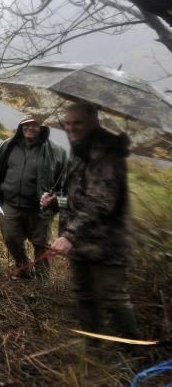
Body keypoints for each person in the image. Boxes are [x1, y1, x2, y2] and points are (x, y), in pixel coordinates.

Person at [42, 102, 138, 338]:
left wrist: (68, 235)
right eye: (68, 123)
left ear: (94, 121)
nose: (72, 128)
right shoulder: (79, 150)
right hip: (82, 241)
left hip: (108, 243)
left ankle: (133, 352)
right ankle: (93, 345)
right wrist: (57, 201)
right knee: (83, 293)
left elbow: (100, 203)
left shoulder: (106, 153)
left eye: (78, 123)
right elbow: (79, 197)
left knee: (113, 297)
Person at [0, 115, 67, 279]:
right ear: (21, 126)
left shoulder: (57, 151)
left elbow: (64, 182)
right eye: (26, 124)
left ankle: (42, 281)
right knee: (10, 238)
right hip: (10, 204)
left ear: (42, 128)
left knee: (41, 244)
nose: (30, 128)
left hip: (39, 208)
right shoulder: (7, 146)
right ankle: (24, 269)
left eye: (35, 125)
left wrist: (55, 199)